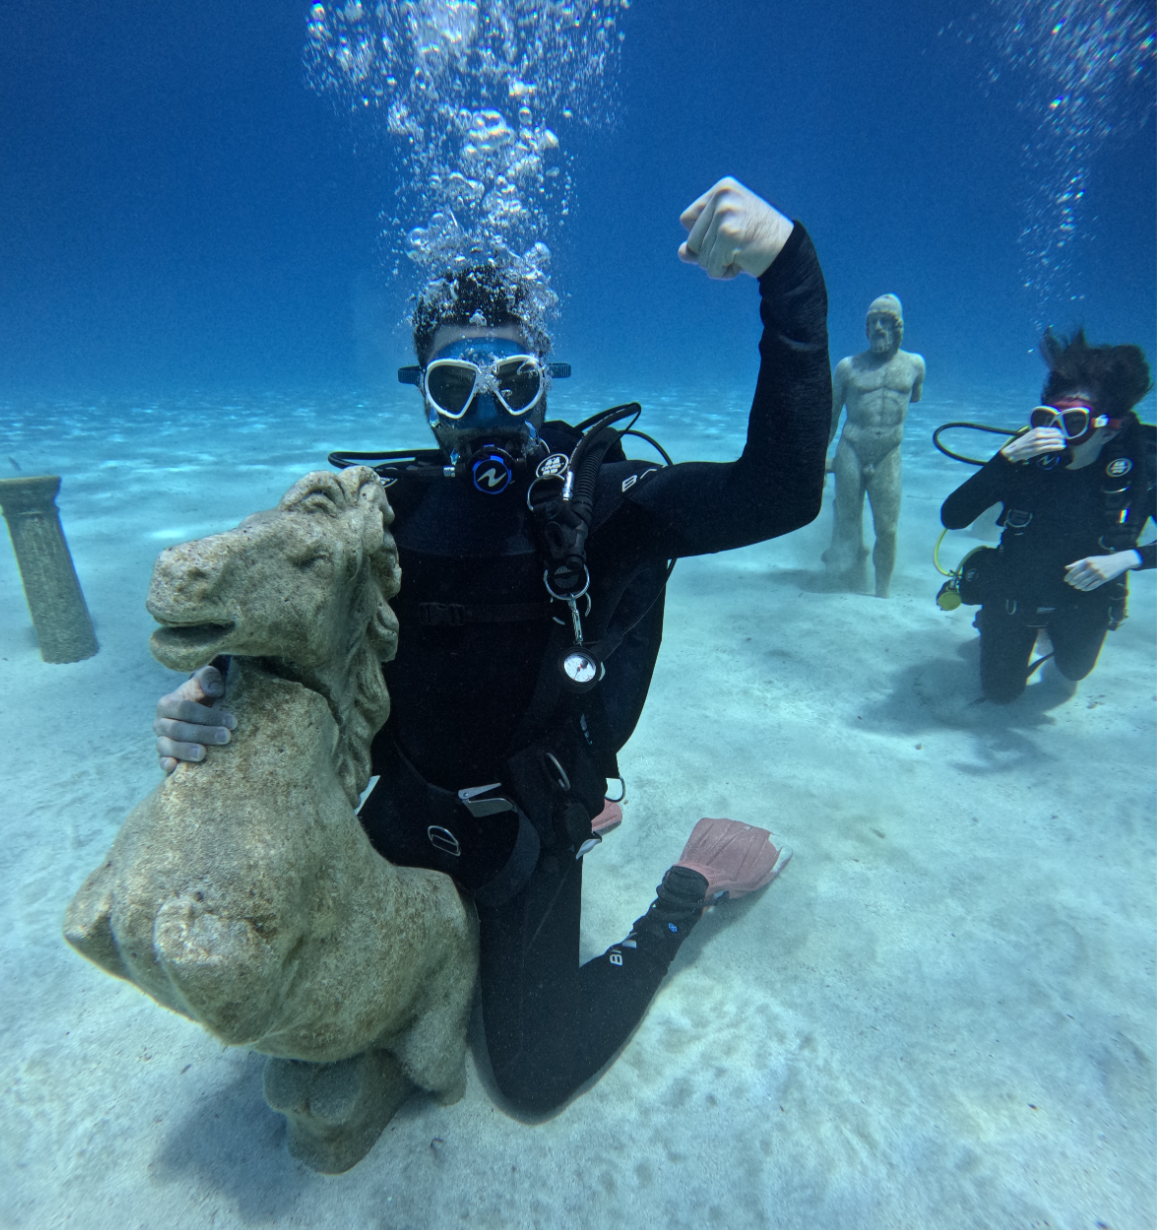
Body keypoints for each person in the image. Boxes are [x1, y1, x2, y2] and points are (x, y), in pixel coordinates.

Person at [152, 177, 832, 1113]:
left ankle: (684, 891)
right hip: (408, 805)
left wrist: (788, 269)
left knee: (534, 1075)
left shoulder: (604, 508)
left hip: (531, 817)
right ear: (424, 397)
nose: (484, 411)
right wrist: (212, 699)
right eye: (453, 382)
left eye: (510, 380)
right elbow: (289, 630)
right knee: (289, 940)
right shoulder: (380, 514)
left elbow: (784, 489)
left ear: (543, 379)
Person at [940, 329, 1155, 704]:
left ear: (1108, 429)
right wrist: (1005, 461)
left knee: (1074, 670)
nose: (1054, 436)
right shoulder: (1024, 458)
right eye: (1047, 418)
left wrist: (1127, 558)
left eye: (1073, 424)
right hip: (1016, 589)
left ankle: (1055, 635)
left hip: (1084, 598)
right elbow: (953, 516)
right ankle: (994, 625)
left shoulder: (1139, 467)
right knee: (1000, 693)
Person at [822, 294, 925, 597]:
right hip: (851, 448)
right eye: (872, 322)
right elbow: (831, 417)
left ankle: (882, 593)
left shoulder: (915, 365)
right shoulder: (848, 367)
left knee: (888, 528)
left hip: (888, 453)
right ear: (865, 328)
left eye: (885, 321)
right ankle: (849, 580)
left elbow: (914, 396)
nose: (878, 327)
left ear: (898, 327)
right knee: (847, 521)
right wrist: (818, 458)